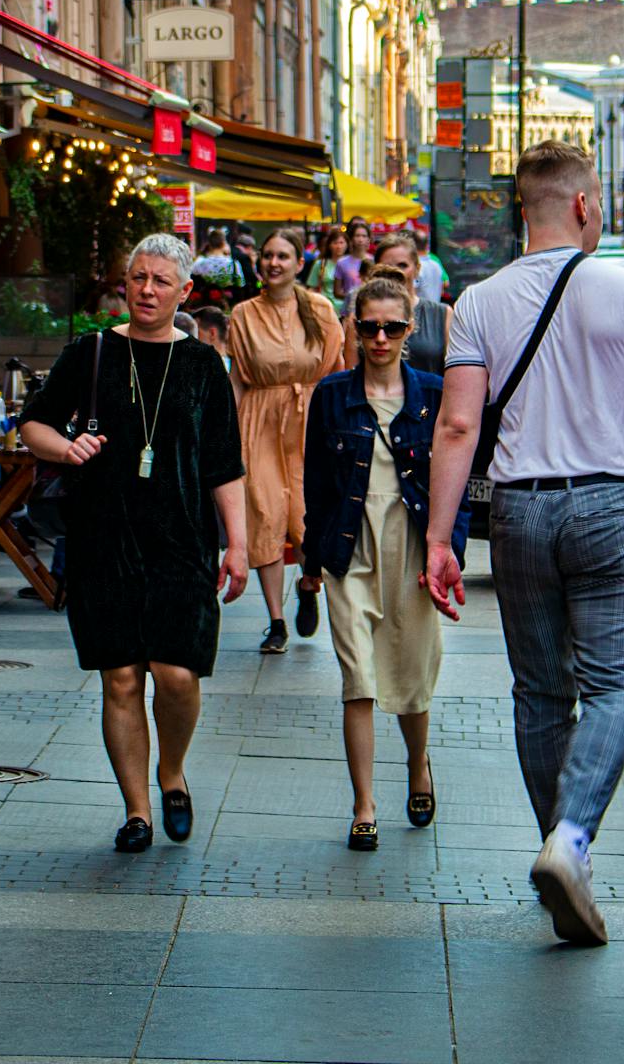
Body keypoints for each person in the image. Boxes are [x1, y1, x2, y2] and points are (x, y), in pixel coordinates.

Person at [422, 140, 624, 947]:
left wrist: (440, 539)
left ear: (519, 212)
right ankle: (569, 844)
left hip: (521, 511)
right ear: (582, 206)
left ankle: (557, 846)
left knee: (541, 694)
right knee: (613, 687)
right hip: (608, 503)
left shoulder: (478, 302)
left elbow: (459, 424)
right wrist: (618, 423)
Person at [17, 235, 247, 853]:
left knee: (175, 673)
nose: (147, 290)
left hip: (181, 537)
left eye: (161, 281)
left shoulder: (202, 365)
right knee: (120, 678)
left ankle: (171, 771)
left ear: (185, 292)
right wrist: (64, 449)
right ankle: (138, 810)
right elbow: (32, 423)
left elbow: (225, 462)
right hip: (103, 537)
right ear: (126, 281)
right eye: (138, 277)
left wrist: (239, 545)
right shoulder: (90, 351)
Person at [300, 268, 467, 851]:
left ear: (409, 326)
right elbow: (316, 484)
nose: (379, 339)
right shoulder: (331, 396)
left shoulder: (434, 394)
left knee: (412, 677)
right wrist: (309, 561)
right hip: (350, 550)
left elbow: (456, 482)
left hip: (413, 548)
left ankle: (418, 764)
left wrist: (452, 552)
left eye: (392, 327)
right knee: (360, 680)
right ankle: (364, 803)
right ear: (354, 326)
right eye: (369, 327)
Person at [226, 227, 343, 654]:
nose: (274, 263)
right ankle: (276, 620)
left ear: (298, 263)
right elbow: (238, 378)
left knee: (309, 515)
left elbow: (336, 372)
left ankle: (310, 579)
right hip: (259, 420)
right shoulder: (242, 315)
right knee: (266, 512)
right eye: (268, 255)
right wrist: (224, 431)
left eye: (283, 256)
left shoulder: (320, 309)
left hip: (311, 419)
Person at [338, 238, 448, 374]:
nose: (396, 272)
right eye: (387, 266)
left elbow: (452, 372)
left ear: (417, 268)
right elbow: (351, 373)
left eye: (402, 265)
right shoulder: (359, 319)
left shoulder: (442, 314)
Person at [189, 227, 245, 308]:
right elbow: (240, 284)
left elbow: (192, 280)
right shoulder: (233, 264)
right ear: (223, 243)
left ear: (209, 244)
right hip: (228, 305)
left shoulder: (200, 262)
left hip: (204, 305)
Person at [307, 226, 348, 309]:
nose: (338, 246)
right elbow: (312, 287)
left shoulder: (352, 263)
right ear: (329, 245)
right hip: (326, 307)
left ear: (347, 244)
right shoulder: (321, 264)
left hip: (347, 309)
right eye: (335, 243)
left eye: (341, 243)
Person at [334, 218, 372, 305]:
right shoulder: (342, 262)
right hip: (348, 309)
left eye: (364, 236)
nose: (360, 239)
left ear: (368, 239)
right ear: (351, 239)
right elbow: (337, 292)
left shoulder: (374, 261)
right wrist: (353, 296)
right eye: (357, 235)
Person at [227, 224, 262, 306]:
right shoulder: (244, 257)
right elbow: (253, 279)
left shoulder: (228, 251)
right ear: (249, 247)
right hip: (240, 294)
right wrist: (260, 285)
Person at [414, 229, 449, 305]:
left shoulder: (414, 265)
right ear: (427, 244)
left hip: (419, 311)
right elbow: (446, 283)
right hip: (435, 308)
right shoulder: (435, 261)